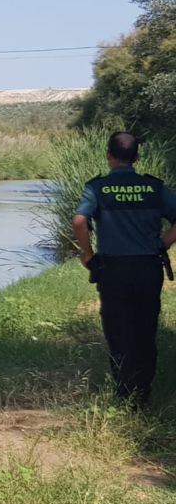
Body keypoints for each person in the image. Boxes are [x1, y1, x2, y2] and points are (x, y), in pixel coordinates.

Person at [72, 131, 176, 406]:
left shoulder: (98, 188)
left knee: (118, 330)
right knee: (145, 329)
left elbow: (80, 221)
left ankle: (123, 392)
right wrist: (162, 244)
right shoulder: (154, 187)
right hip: (147, 268)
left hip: (113, 270)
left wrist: (88, 255)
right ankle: (142, 394)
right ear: (137, 159)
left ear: (109, 156)